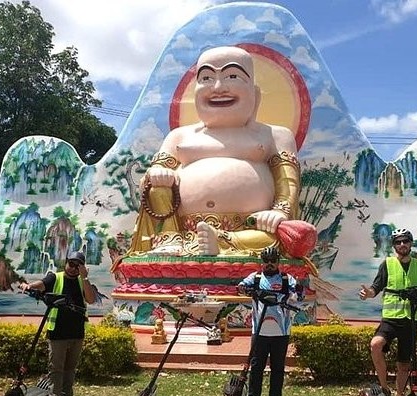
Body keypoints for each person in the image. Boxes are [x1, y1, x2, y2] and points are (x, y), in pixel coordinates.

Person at [129, 45, 301, 257]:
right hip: (181, 234)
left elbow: (288, 183)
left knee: (275, 239)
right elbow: (148, 182)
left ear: (254, 93)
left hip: (251, 229)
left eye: (232, 76)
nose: (218, 87)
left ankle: (220, 240)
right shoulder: (179, 136)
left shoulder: (273, 135)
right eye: (207, 78)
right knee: (157, 187)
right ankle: (169, 239)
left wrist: (279, 212)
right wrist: (157, 174)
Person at [358, 228, 417, 396]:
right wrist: (367, 294)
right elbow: (375, 288)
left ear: (410, 243)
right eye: (398, 242)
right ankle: (385, 390)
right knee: (375, 345)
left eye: (405, 241)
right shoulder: (387, 264)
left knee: (404, 364)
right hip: (391, 318)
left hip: (411, 320)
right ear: (394, 245)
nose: (402, 245)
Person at [19, 251, 96, 396]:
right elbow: (41, 284)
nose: (74, 268)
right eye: (72, 264)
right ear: (66, 263)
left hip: (77, 332)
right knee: (56, 369)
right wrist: (28, 286)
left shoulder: (82, 281)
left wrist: (85, 278)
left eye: (78, 266)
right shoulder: (56, 277)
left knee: (70, 369)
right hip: (58, 332)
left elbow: (90, 299)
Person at [237, 246, 301, 396]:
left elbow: (298, 294)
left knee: (278, 368)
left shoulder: (287, 279)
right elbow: (242, 286)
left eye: (273, 261)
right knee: (256, 367)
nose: (270, 264)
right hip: (259, 331)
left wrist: (295, 294)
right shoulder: (256, 278)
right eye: (267, 261)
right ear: (262, 262)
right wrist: (243, 288)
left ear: (279, 262)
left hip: (281, 332)